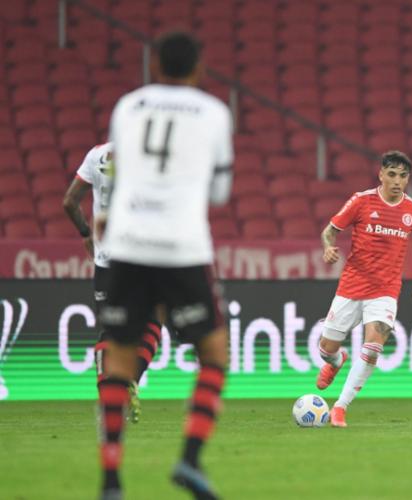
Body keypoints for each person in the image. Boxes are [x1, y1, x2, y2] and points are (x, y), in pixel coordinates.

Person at [94, 32, 233, 500]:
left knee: (118, 357)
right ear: (199, 68)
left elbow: (117, 174)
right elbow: (219, 193)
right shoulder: (214, 113)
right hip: (181, 245)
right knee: (213, 353)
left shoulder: (127, 107)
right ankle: (189, 460)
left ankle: (111, 480)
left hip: (127, 241)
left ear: (154, 65)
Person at [316, 150, 412, 428]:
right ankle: (336, 360)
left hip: (385, 291)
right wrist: (328, 247)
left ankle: (340, 407)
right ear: (381, 175)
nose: (397, 181)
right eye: (391, 174)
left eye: (402, 176)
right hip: (352, 286)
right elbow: (329, 231)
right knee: (326, 348)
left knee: (372, 349)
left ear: (408, 179)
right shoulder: (361, 201)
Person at [63, 142, 162, 424]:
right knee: (153, 322)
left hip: (106, 261)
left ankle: (108, 399)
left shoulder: (96, 154)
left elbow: (69, 202)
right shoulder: (148, 153)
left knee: (111, 331)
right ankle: (132, 379)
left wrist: (85, 233)